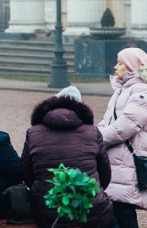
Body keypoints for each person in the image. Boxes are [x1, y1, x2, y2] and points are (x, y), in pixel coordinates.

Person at [21, 86, 113, 228]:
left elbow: (26, 174)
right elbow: (105, 173)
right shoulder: (93, 132)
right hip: (90, 208)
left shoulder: (33, 133)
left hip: (47, 208)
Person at [97, 49, 147, 228]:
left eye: (120, 63)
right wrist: (90, 135)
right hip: (117, 162)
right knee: (114, 213)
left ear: (132, 66)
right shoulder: (122, 90)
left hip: (127, 163)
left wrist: (95, 140)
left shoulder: (143, 91)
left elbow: (125, 127)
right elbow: (107, 121)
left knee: (123, 213)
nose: (115, 67)